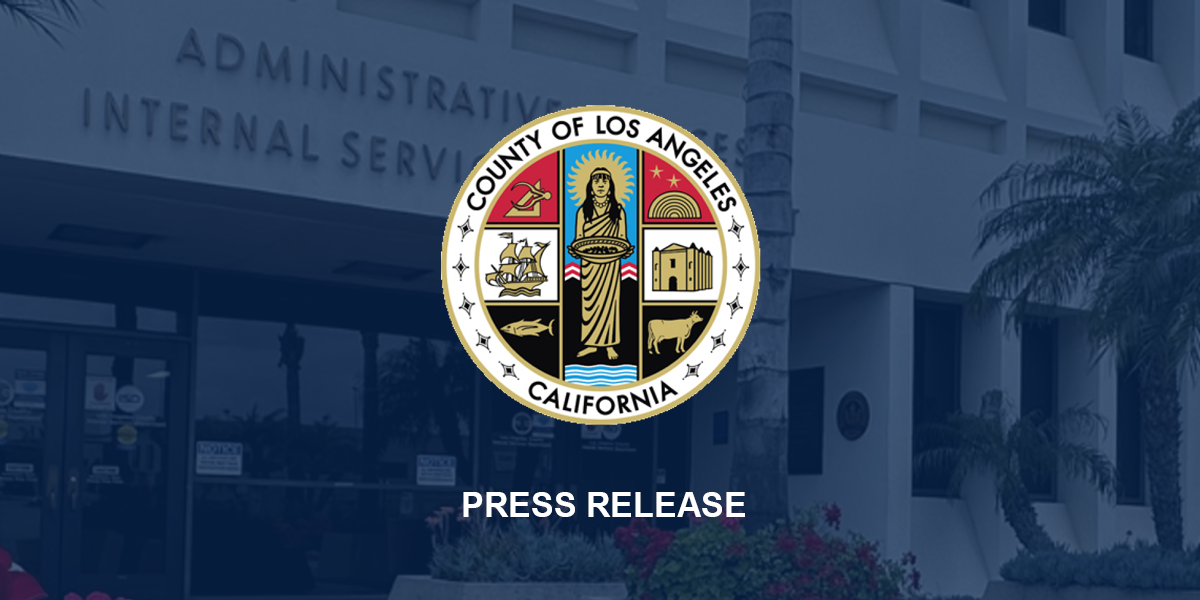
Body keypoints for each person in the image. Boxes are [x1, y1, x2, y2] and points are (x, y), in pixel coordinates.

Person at [575, 167, 627, 360]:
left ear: (610, 187)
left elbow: (623, 238)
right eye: (597, 182)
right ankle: (591, 343)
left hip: (611, 264)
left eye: (604, 182)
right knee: (589, 305)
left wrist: (626, 249)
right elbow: (578, 238)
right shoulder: (582, 211)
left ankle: (610, 345)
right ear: (590, 187)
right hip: (589, 265)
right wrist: (575, 250)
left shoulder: (619, 211)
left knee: (611, 304)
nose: (600, 185)